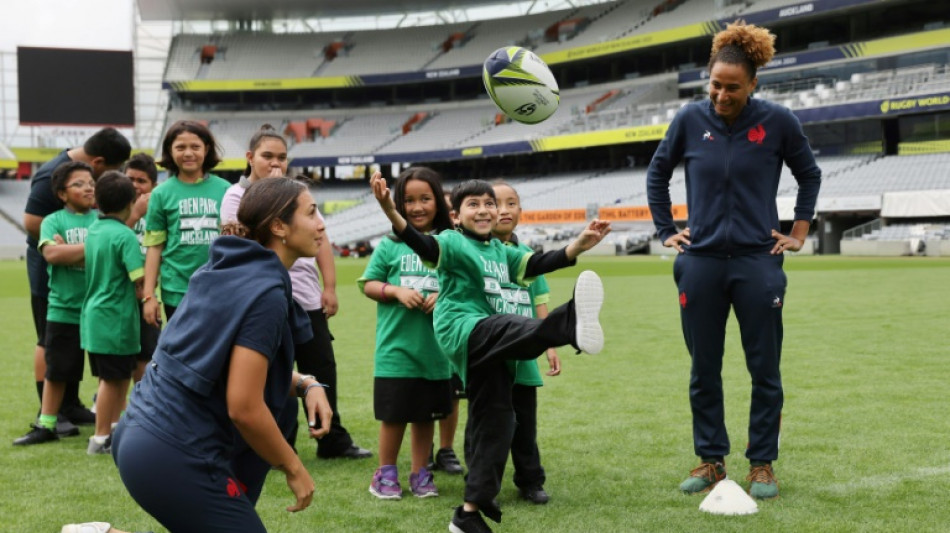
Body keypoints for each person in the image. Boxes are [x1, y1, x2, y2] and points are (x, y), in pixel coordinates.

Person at [370, 173, 609, 533]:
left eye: (489, 204)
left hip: (490, 345)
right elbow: (420, 243)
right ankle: (568, 323)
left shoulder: (502, 251)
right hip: (462, 329)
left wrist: (578, 245)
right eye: (473, 204)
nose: (483, 210)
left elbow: (538, 264)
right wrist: (390, 209)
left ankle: (469, 513)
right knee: (508, 324)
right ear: (455, 215)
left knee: (497, 422)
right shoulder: (451, 241)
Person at [645, 21, 821, 500]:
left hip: (757, 262)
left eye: (733, 88)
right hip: (699, 261)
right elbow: (657, 174)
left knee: (764, 369)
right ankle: (711, 461)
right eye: (715, 85)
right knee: (703, 368)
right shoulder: (688, 119)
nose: (722, 95)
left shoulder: (779, 121)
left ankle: (762, 464)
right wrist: (666, 229)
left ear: (753, 84)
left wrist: (798, 232)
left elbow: (809, 174)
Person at [107, 178, 333, 533]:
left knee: (285, 406)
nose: (321, 224)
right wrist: (293, 467)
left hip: (139, 433)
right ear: (279, 227)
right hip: (171, 449)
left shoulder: (229, 268)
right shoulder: (265, 292)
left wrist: (306, 384)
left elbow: (227, 368)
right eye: (311, 213)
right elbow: (244, 407)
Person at [220, 125, 370, 460]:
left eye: (282, 157)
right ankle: (279, 442)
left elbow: (322, 240)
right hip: (267, 296)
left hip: (306, 296)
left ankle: (331, 438)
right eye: (267, 156)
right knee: (276, 372)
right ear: (250, 158)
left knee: (322, 366)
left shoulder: (297, 193)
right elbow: (245, 240)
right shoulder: (236, 196)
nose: (276, 163)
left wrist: (329, 287)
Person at [22, 128, 131, 434]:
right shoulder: (51, 179)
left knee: (81, 348)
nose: (91, 186)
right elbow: (34, 226)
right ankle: (51, 414)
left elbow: (110, 239)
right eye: (112, 169)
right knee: (50, 341)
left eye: (91, 183)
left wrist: (78, 249)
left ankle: (70, 406)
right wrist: (78, 249)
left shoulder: (94, 213)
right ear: (99, 162)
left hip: (88, 289)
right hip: (53, 281)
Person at [358, 167, 455, 499]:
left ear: (438, 201)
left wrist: (444, 296)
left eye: (425, 199)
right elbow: (368, 284)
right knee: (395, 415)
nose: (417, 207)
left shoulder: (449, 245)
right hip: (396, 349)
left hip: (436, 350)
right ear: (398, 204)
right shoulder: (390, 246)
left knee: (425, 415)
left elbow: (463, 285)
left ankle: (420, 472)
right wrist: (396, 292)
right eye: (409, 200)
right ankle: (385, 473)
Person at [14, 162, 99, 445]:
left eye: (91, 183)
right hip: (64, 310)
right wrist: (92, 248)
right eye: (79, 184)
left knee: (107, 371)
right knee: (57, 371)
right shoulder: (52, 221)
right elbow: (52, 254)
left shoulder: (102, 220)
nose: (88, 188)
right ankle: (47, 424)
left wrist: (69, 250)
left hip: (99, 308)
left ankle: (108, 425)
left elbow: (110, 252)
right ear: (62, 194)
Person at [490, 181, 561, 505]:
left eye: (511, 203)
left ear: (520, 210)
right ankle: (482, 484)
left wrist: (549, 345)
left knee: (525, 425)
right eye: (496, 203)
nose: (504, 210)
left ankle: (531, 480)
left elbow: (539, 302)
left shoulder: (528, 257)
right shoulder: (475, 254)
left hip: (523, 356)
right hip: (489, 356)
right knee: (485, 425)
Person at [141, 120, 230, 327]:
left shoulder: (226, 190)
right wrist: (149, 296)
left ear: (206, 149)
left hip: (218, 289)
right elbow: (154, 247)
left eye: (195, 147)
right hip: (176, 292)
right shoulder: (160, 194)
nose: (188, 153)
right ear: (170, 151)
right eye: (180, 147)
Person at [80, 171, 143, 454]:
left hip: (95, 317)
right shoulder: (125, 236)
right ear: (131, 202)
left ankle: (113, 429)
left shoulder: (94, 230)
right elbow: (138, 280)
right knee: (110, 380)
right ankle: (100, 437)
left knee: (117, 377)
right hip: (115, 318)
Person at [122, 153, 161, 382]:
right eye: (130, 179)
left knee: (146, 357)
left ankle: (142, 400)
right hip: (118, 299)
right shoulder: (114, 210)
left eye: (141, 181)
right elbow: (110, 239)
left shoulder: (158, 212)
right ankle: (108, 399)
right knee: (116, 361)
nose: (135, 186)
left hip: (146, 297)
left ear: (153, 186)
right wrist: (135, 214)